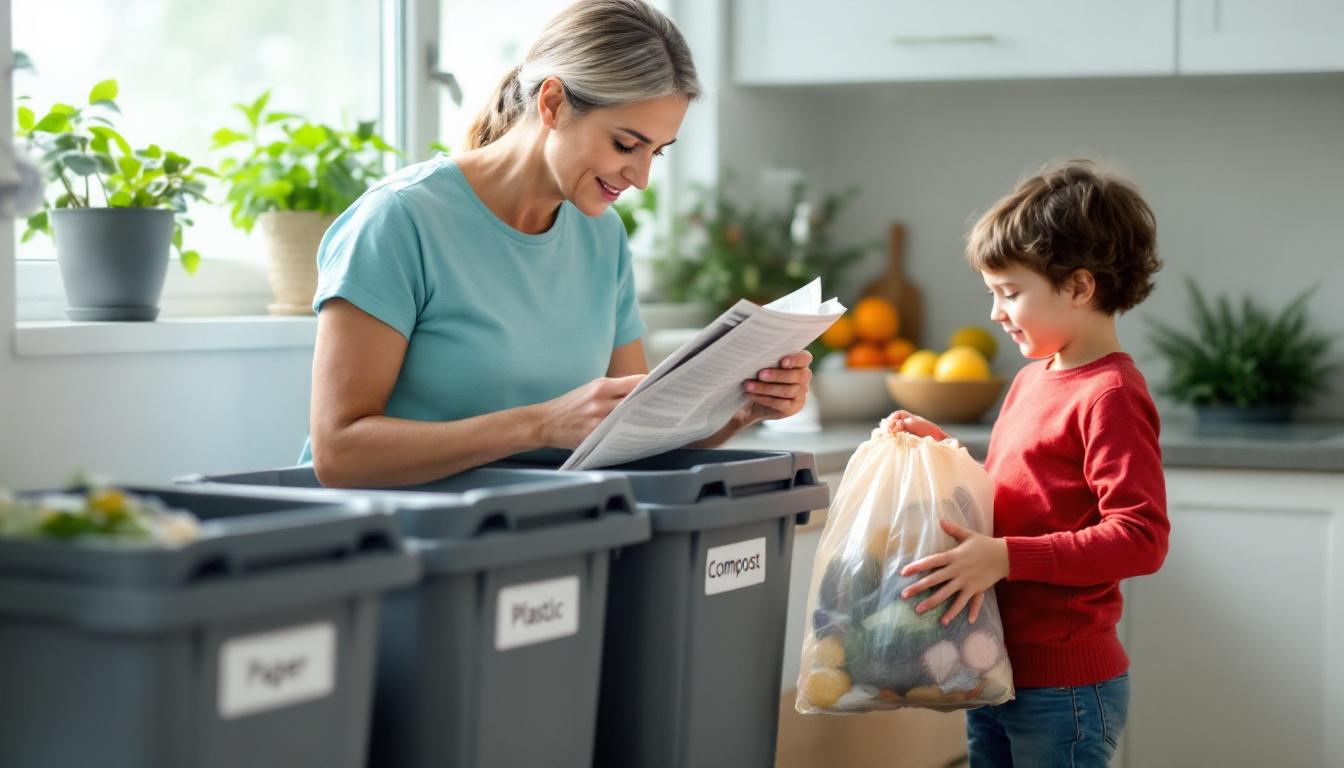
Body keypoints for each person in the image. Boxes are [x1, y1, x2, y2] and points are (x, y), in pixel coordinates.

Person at [301, 0, 813, 487]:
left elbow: (632, 437)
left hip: (531, 538)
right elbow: (338, 452)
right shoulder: (400, 220)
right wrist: (541, 424)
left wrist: (742, 411)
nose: (639, 177)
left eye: (656, 152)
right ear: (552, 103)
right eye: (625, 144)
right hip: (384, 544)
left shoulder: (601, 236)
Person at [889, 160, 1170, 766]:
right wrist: (939, 449)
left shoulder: (1112, 396)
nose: (995, 313)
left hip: (1064, 689)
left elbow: (1141, 538)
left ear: (1079, 287)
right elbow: (1016, 493)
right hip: (994, 662)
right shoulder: (1030, 380)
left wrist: (1007, 557)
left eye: (1010, 293)